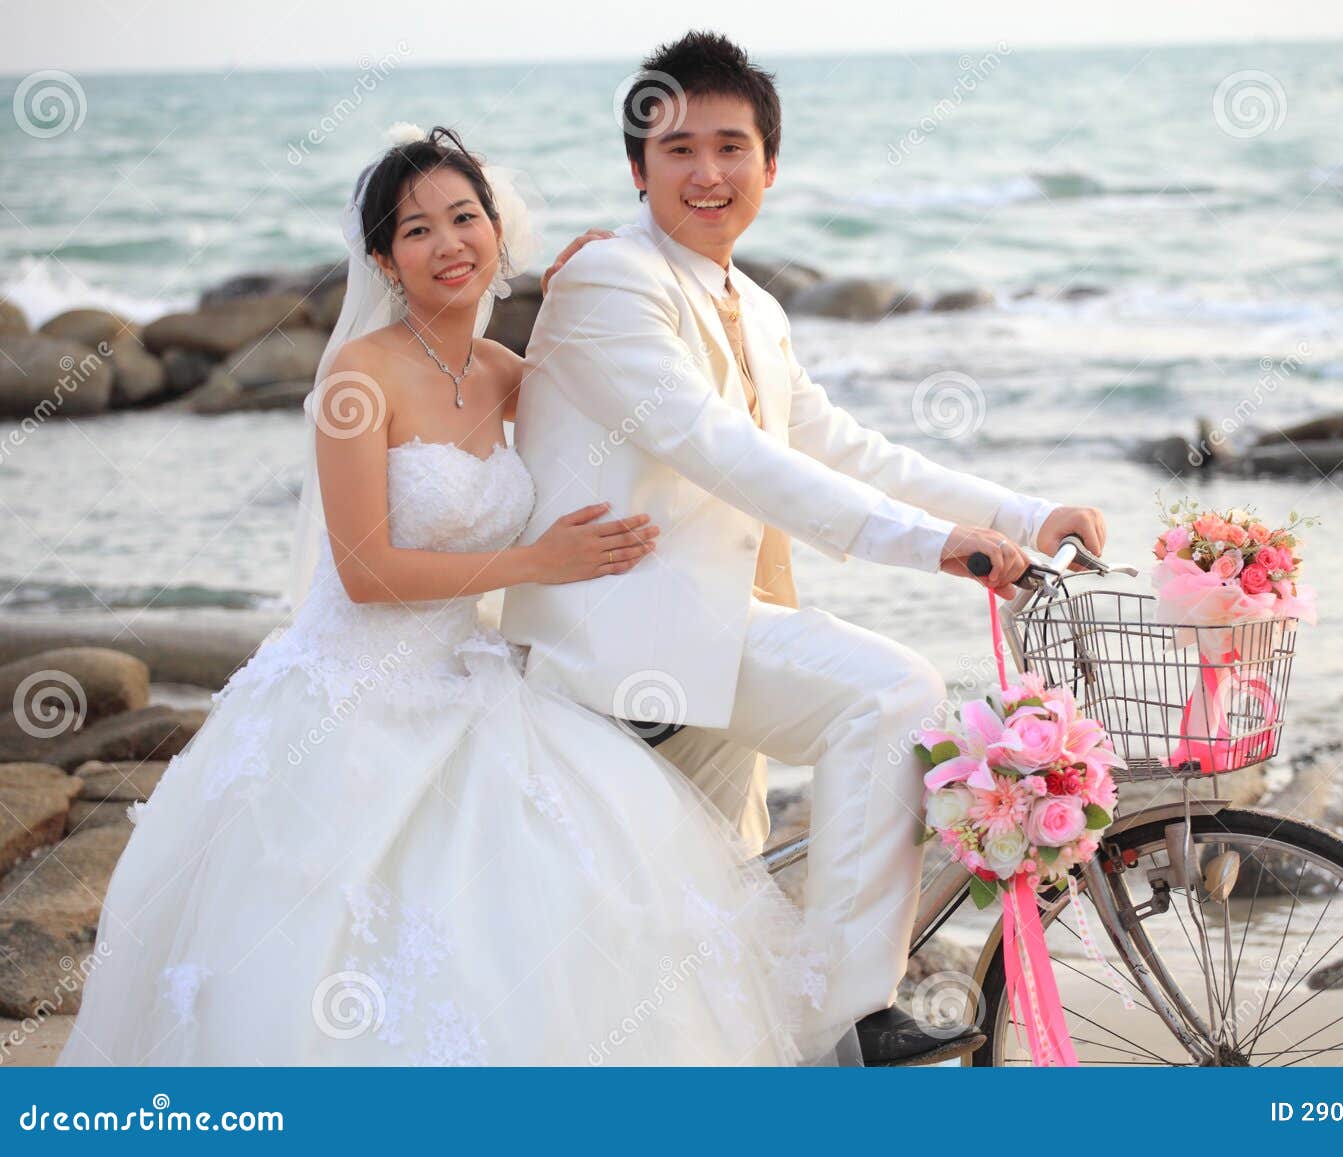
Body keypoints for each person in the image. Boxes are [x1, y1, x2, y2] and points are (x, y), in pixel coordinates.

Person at [55, 125, 843, 1066]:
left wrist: (605, 266)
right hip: (348, 694)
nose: (449, 243)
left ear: (496, 233)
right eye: (417, 230)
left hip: (472, 676)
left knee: (570, 901)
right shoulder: (358, 374)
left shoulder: (510, 376)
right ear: (385, 260)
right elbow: (365, 570)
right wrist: (539, 563)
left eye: (465, 218)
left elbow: (633, 411)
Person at [503, 31, 1107, 1066]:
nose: (707, 172)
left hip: (715, 628)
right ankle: (852, 1024)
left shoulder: (756, 307)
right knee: (890, 693)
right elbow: (723, 449)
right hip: (630, 638)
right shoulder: (610, 282)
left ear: (769, 167)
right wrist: (927, 547)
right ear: (637, 168)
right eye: (678, 149)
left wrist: (1020, 511)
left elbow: (840, 444)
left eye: (731, 147)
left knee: (694, 949)